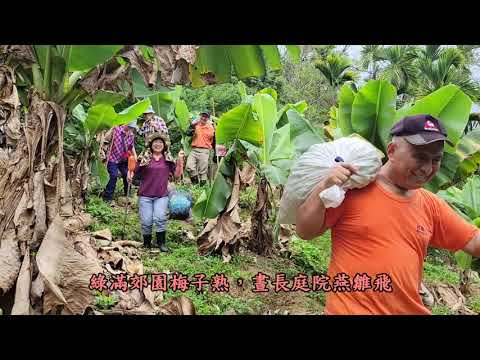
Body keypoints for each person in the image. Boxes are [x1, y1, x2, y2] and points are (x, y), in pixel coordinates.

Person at [295, 114, 480, 315]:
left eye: (436, 160)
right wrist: (323, 186)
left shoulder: (430, 204)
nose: (427, 168)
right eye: (420, 157)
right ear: (391, 151)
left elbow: (474, 242)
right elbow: (305, 231)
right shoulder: (353, 188)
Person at [128, 132, 175, 251]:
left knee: (160, 218)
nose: (158, 144)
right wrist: (130, 174)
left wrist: (180, 160)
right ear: (151, 144)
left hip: (161, 195)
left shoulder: (168, 159)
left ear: (164, 145)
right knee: (146, 221)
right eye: (155, 142)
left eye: (160, 142)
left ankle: (161, 244)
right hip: (145, 195)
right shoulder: (144, 158)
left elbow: (177, 174)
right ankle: (147, 244)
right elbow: (134, 172)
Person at [102, 121, 138, 202]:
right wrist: (112, 129)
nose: (130, 129)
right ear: (125, 124)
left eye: (132, 128)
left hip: (123, 159)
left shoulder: (131, 135)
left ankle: (127, 194)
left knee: (127, 174)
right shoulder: (116, 130)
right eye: (129, 127)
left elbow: (131, 147)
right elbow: (106, 138)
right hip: (112, 158)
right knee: (113, 175)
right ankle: (107, 197)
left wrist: (135, 155)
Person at [185, 112, 215, 186]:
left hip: (204, 150)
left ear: (208, 118)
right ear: (200, 116)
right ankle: (196, 184)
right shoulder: (196, 125)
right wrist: (192, 125)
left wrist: (215, 153)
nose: (204, 118)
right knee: (189, 166)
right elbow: (188, 133)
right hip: (194, 150)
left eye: (206, 117)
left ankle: (201, 188)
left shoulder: (211, 127)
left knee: (203, 171)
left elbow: (214, 140)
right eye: (202, 116)